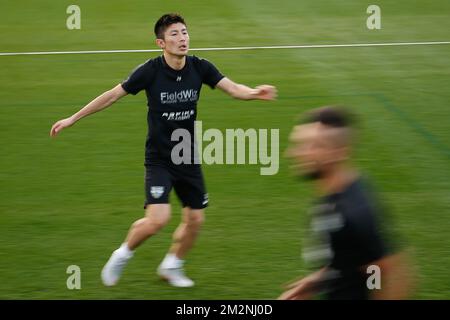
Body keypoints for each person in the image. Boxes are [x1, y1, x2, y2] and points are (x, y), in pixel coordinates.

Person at [50, 13, 277, 288]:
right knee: (158, 220)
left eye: (184, 32)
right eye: (174, 34)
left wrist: (254, 92)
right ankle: (123, 253)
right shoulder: (149, 71)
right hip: (159, 157)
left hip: (187, 155)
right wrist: (73, 118)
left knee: (195, 219)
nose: (182, 39)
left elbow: (232, 88)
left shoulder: (200, 66)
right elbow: (112, 95)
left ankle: (172, 265)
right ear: (161, 42)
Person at [280, 106, 413, 299]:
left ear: (339, 152)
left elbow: (386, 271)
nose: (296, 153)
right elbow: (351, 259)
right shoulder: (334, 195)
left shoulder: (354, 212)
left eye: (312, 146)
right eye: (298, 144)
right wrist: (316, 282)